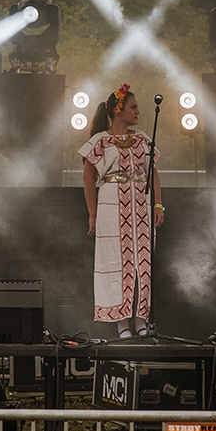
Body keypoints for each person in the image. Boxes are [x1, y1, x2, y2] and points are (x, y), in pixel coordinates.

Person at [78, 84, 165, 338]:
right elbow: (87, 177)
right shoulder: (100, 141)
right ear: (118, 110)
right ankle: (121, 322)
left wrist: (158, 204)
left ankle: (140, 318)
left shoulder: (142, 139)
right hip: (110, 204)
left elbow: (153, 173)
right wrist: (93, 213)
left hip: (140, 204)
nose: (138, 112)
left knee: (142, 261)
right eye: (133, 107)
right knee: (115, 260)